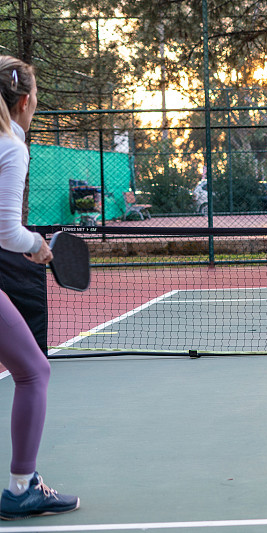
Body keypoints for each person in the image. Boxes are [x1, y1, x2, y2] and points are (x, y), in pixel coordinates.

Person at [0, 57, 80, 519]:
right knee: (34, 372)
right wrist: (38, 246)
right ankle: (21, 487)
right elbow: (7, 233)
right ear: (27, 101)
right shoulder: (11, 145)